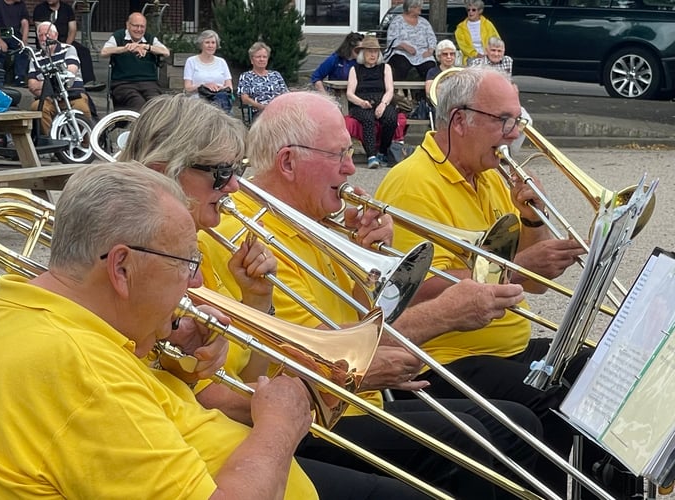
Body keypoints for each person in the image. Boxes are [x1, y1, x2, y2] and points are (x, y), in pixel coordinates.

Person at [195, 90, 546, 499]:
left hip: (358, 401)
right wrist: (442, 315)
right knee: (477, 439)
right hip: (311, 414)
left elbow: (360, 324)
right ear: (288, 161)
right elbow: (325, 353)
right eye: (339, 155)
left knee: (513, 426)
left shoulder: (316, 221)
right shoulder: (246, 236)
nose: (350, 168)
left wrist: (371, 262)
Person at [0, 161, 328, 498]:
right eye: (186, 262)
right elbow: (97, 395)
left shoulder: (27, 307)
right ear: (122, 267)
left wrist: (170, 361)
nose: (194, 283)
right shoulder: (79, 370)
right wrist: (279, 427)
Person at [118, 94, 427, 499]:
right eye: (221, 172)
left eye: (236, 170)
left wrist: (256, 302)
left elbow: (244, 379)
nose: (234, 185)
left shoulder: (195, 246)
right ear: (164, 172)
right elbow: (216, 398)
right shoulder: (159, 257)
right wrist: (291, 410)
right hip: (225, 456)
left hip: (247, 441)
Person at [373, 66, 631, 498]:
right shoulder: (411, 183)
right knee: (561, 404)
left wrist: (531, 218)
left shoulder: (490, 173)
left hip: (506, 343)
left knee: (605, 373)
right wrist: (518, 266)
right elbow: (413, 284)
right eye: (503, 120)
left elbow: (537, 286)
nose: (514, 133)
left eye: (517, 120)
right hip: (448, 355)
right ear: (460, 121)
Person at [27, 22, 91, 135]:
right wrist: (54, 83)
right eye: (40, 35)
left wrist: (44, 83)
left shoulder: (68, 49)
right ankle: (52, 142)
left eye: (47, 35)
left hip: (73, 95)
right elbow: (32, 85)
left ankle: (86, 145)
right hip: (50, 98)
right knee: (37, 106)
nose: (44, 38)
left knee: (82, 108)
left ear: (56, 35)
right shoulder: (35, 57)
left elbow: (69, 75)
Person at [100, 12, 169, 111]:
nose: (139, 30)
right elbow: (104, 52)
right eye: (136, 26)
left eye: (142, 27)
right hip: (123, 83)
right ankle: (140, 126)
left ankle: (152, 126)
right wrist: (125, 48)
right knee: (138, 104)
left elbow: (166, 52)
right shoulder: (118, 36)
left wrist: (146, 47)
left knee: (157, 104)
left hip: (149, 83)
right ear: (127, 25)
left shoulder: (150, 38)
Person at [346, 34, 397, 169]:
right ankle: (371, 156)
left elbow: (390, 90)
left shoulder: (385, 68)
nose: (373, 54)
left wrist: (383, 104)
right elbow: (350, 94)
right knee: (368, 119)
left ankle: (383, 152)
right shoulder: (355, 69)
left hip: (381, 100)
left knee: (391, 118)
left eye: (375, 51)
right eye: (369, 51)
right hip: (360, 102)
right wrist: (361, 102)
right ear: (363, 53)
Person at [32, 0, 100, 88]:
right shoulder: (39, 9)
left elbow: (72, 29)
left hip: (65, 41)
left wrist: (66, 46)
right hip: (47, 42)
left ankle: (88, 81)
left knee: (84, 51)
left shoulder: (67, 9)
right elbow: (41, 30)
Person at [385, 0, 437, 81]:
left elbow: (432, 38)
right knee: (401, 64)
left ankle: (425, 91)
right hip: (402, 52)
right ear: (410, 8)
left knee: (430, 65)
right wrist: (405, 46)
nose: (421, 8)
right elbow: (391, 40)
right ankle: (400, 90)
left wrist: (430, 51)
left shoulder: (424, 22)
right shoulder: (397, 21)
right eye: (418, 7)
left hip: (422, 54)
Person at [183, 29, 233, 113]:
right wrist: (204, 86)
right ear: (201, 45)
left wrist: (221, 88)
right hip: (198, 101)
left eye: (213, 43)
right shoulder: (191, 61)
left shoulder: (222, 62)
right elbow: (187, 88)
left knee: (221, 100)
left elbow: (230, 87)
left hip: (220, 99)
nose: (210, 46)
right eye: (207, 42)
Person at [236, 41, 288, 116]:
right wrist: (262, 107)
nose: (262, 59)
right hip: (260, 113)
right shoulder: (246, 76)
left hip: (280, 111)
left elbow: (286, 94)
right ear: (251, 60)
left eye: (264, 57)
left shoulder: (276, 74)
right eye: (258, 57)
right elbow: (245, 99)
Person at [0, 0, 29, 86]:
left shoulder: (21, 5)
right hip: (1, 34)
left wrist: (24, 40)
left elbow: (25, 22)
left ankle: (20, 78)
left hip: (15, 35)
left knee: (23, 50)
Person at [455, 0, 500, 65]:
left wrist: (490, 53)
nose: (470, 12)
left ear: (480, 11)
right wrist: (476, 55)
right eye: (468, 10)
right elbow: (463, 47)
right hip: (470, 57)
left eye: (473, 10)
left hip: (488, 55)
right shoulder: (460, 28)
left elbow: (497, 40)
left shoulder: (487, 24)